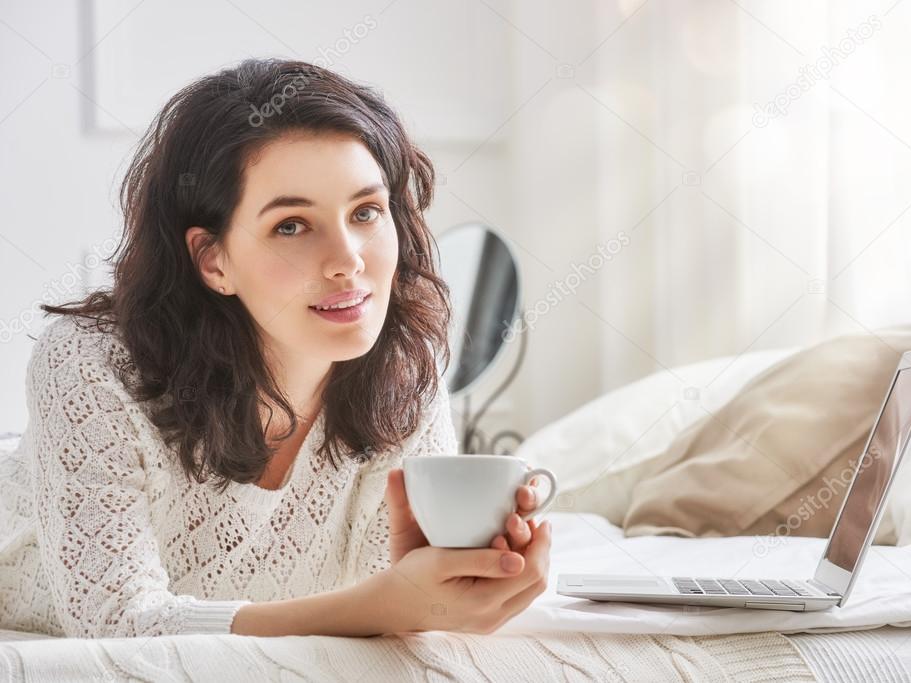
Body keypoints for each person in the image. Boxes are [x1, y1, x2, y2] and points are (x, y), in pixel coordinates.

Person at [0, 58, 551, 639]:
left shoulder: (405, 371)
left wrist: (456, 575)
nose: (348, 261)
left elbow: (381, 604)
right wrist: (382, 607)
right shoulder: (90, 365)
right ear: (213, 260)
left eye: (366, 212)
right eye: (292, 225)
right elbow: (117, 626)